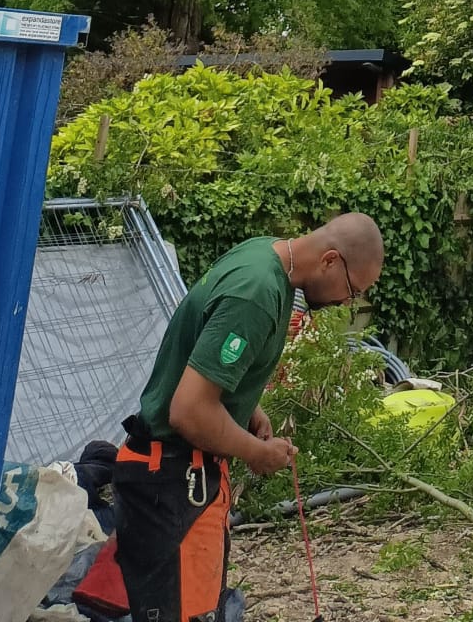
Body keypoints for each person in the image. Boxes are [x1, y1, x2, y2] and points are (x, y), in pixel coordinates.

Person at [108, 213, 385, 622]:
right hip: (173, 485)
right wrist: (256, 452)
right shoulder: (256, 294)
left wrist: (245, 405)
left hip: (171, 478)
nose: (347, 302)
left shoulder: (262, 255)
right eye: (352, 290)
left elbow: (203, 353)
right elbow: (188, 410)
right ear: (330, 260)